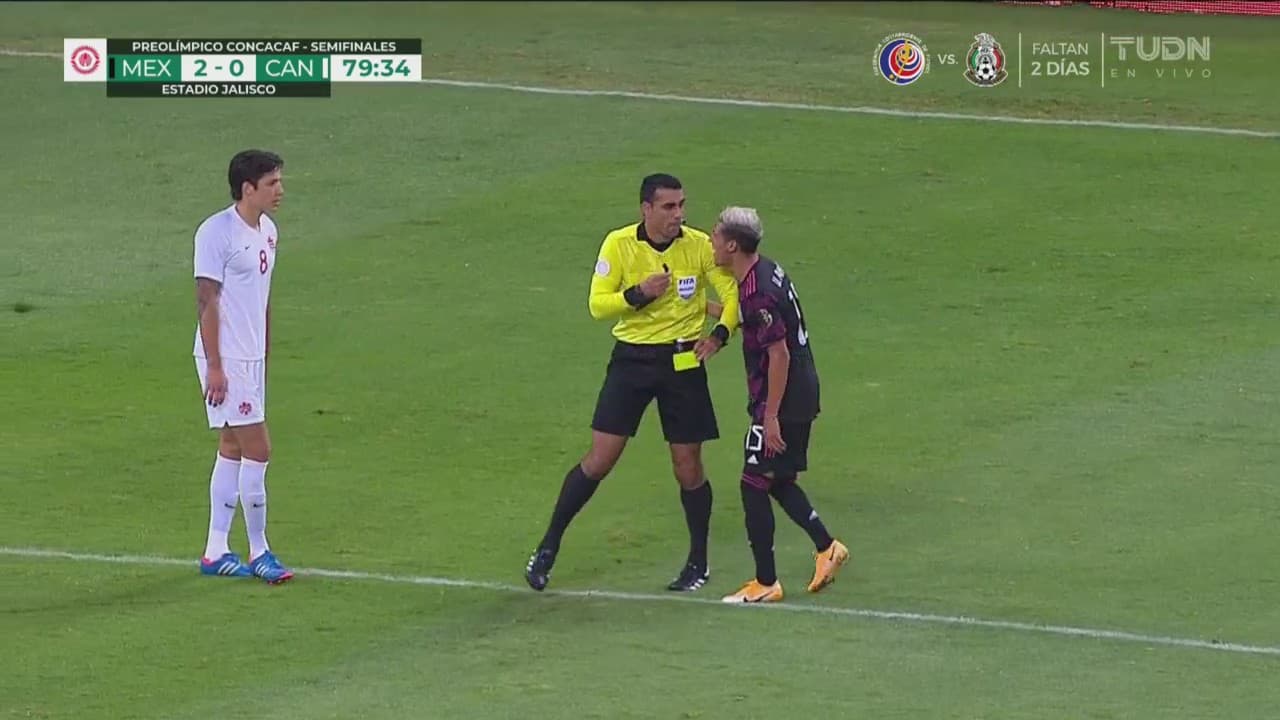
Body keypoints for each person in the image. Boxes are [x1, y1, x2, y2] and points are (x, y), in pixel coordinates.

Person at [524, 173, 741, 593]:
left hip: (683, 361)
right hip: (632, 361)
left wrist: (719, 335)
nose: (678, 214)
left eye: (681, 205)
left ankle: (698, 561)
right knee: (599, 459)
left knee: (688, 466)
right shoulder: (619, 244)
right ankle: (548, 547)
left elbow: (731, 296)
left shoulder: (698, 245)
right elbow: (597, 305)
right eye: (669, 207)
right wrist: (637, 294)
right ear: (646, 209)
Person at [705, 206, 849, 603]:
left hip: (783, 395)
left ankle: (766, 582)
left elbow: (779, 354)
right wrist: (705, 308)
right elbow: (752, 320)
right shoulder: (765, 271)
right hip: (798, 389)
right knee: (777, 479)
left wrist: (770, 416)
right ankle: (828, 547)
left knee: (753, 482)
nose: (711, 242)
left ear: (732, 245)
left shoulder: (758, 291)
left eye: (716, 235)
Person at [193, 149, 293, 585]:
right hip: (225, 357)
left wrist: (264, 352)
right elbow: (206, 299)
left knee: (232, 447)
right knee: (259, 449)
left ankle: (215, 550)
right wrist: (215, 366)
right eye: (272, 183)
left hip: (250, 357)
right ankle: (260, 551)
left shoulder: (268, 231)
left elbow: (261, 298)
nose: (280, 190)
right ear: (248, 188)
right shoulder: (216, 233)